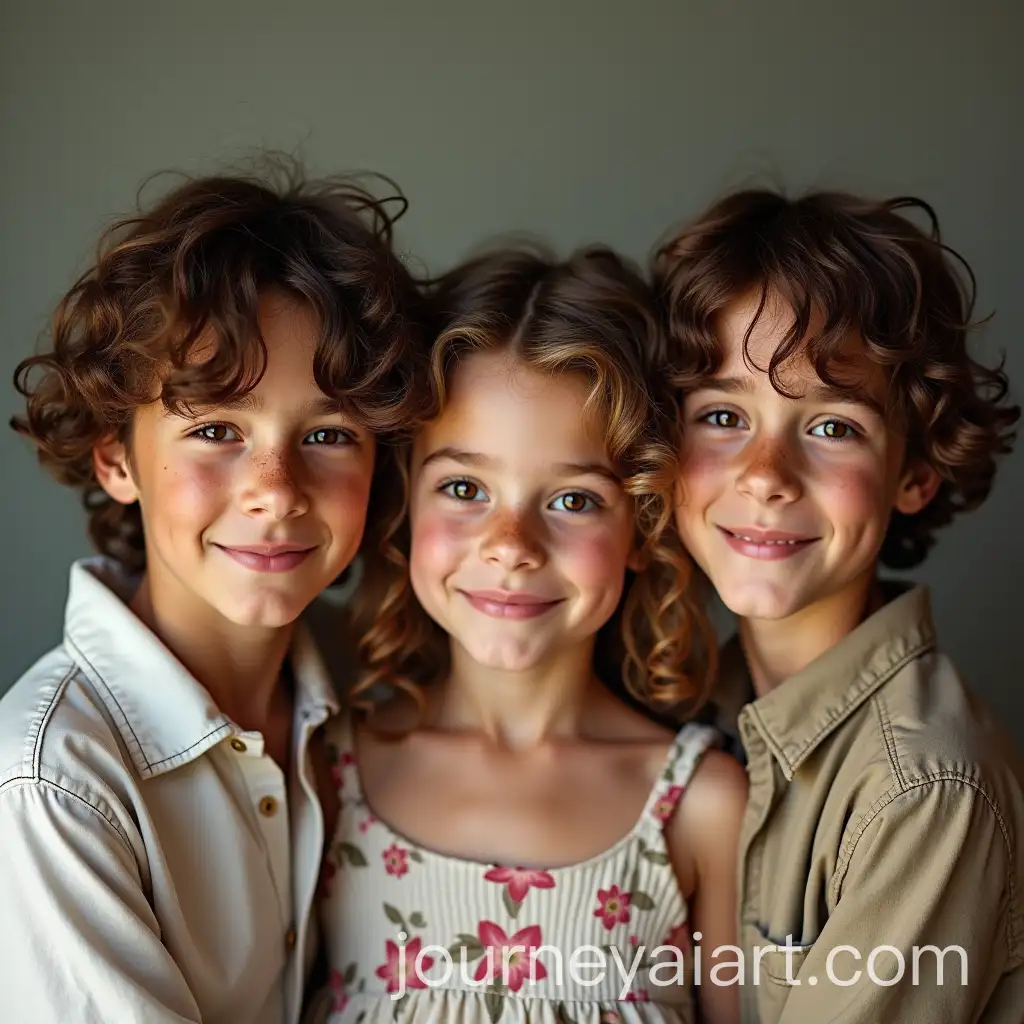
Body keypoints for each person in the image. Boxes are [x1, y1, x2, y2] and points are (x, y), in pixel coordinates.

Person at [0, 163, 429, 1023]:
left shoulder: (378, 688)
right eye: (217, 430)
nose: (276, 487)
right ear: (116, 456)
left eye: (329, 432)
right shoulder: (54, 784)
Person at [309, 245, 747, 1024]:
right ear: (404, 505)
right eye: (465, 489)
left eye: (575, 500)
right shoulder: (327, 775)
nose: (511, 544)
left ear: (642, 523)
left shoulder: (699, 808)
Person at [652, 187, 1024, 1022]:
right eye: (721, 415)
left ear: (916, 473)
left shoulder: (924, 793)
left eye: (832, 427)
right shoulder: (689, 700)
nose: (765, 474)